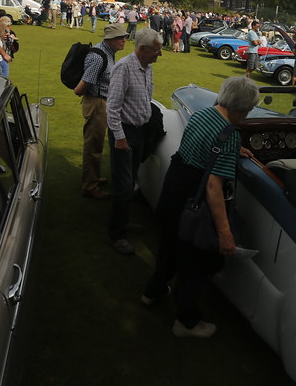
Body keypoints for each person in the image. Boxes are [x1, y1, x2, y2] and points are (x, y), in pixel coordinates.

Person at [141, 76, 260, 338]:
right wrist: (225, 233)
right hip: (194, 201)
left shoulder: (202, 114)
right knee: (198, 263)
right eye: (248, 110)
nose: (248, 115)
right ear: (240, 108)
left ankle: (153, 291)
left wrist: (232, 149)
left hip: (174, 191)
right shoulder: (229, 135)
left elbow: (204, 146)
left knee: (169, 247)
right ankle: (186, 321)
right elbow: (213, 188)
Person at [106, 28, 162, 255]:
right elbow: (112, 107)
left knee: (130, 183)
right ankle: (116, 234)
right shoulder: (124, 68)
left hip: (139, 132)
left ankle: (124, 220)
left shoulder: (146, 68)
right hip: (125, 133)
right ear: (142, 49)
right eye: (156, 51)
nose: (160, 55)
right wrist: (119, 138)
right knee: (123, 186)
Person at [74, 24, 129, 200]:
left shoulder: (109, 53)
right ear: (110, 39)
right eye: (120, 37)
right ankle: (89, 187)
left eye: (125, 37)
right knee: (93, 146)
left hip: (102, 102)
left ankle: (94, 177)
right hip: (97, 104)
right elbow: (81, 87)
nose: (124, 40)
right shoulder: (98, 57)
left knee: (97, 144)